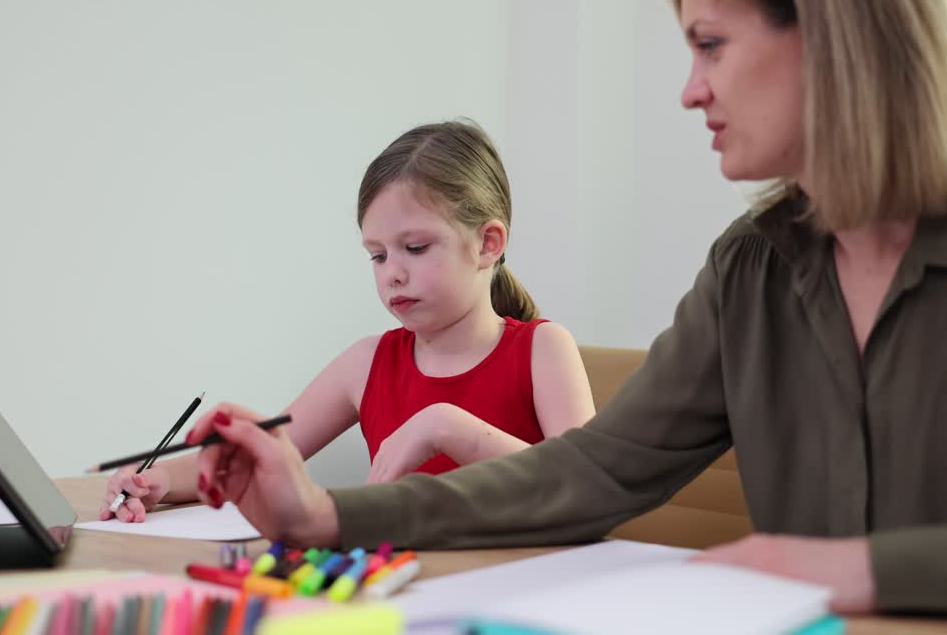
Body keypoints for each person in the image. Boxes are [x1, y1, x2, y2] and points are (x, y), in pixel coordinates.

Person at [183, 0, 947, 630]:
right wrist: (321, 513)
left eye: (711, 46)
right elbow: (591, 473)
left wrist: (876, 570)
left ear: (837, 34)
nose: (690, 90)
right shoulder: (751, 272)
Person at [101, 120, 595, 520]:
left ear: (488, 243)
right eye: (377, 256)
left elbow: (587, 486)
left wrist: (444, 425)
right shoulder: (366, 363)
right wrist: (158, 483)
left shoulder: (545, 349)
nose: (393, 275)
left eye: (416, 248)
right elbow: (259, 456)